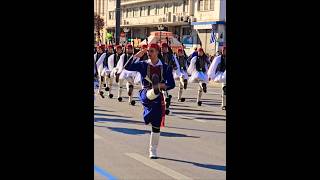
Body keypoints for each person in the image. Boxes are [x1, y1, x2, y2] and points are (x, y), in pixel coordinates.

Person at [124, 43, 175, 159]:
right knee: (149, 94)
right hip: (145, 94)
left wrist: (163, 85)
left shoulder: (166, 67)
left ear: (157, 52)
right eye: (148, 51)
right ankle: (154, 90)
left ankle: (153, 150)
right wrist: (136, 55)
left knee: (156, 125)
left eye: (151, 51)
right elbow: (127, 67)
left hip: (158, 98)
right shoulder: (143, 65)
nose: (149, 53)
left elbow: (172, 84)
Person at [158, 43, 180, 113]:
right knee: (162, 90)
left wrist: (174, 67)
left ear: (167, 48)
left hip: (167, 74)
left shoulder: (170, 56)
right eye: (162, 48)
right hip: (159, 73)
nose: (163, 49)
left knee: (165, 89)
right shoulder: (158, 55)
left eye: (164, 47)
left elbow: (174, 64)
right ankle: (166, 105)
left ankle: (166, 105)